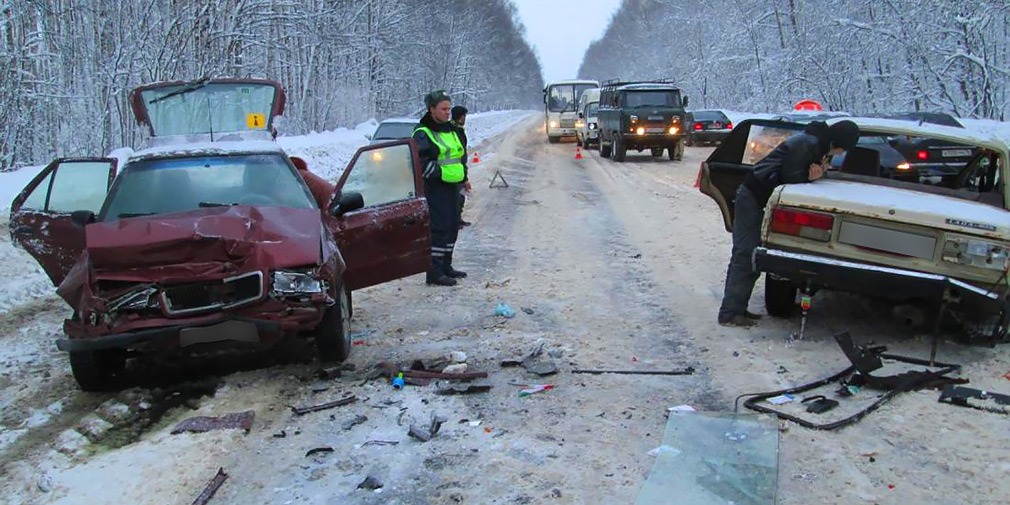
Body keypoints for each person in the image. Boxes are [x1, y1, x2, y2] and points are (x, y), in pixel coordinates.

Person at [718, 120, 860, 327]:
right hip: (753, 197)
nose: (840, 154)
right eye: (843, 149)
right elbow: (789, 178)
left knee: (750, 255)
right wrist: (811, 176)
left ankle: (737, 309)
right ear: (839, 142)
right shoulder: (809, 144)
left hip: (759, 197)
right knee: (746, 254)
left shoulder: (816, 143)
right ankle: (730, 313)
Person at [413, 90, 468, 286]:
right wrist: (443, 174)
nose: (447, 112)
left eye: (449, 108)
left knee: (453, 226)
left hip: (453, 187)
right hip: (435, 188)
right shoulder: (422, 132)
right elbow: (421, 163)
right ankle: (434, 271)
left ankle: (446, 266)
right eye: (443, 109)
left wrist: (463, 177)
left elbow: (460, 155)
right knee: (439, 229)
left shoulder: (452, 129)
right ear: (432, 109)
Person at [451, 105, 472, 228]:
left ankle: (458, 218)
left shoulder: (458, 129)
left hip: (459, 167)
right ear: (460, 116)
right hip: (453, 169)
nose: (465, 119)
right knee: (456, 196)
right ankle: (454, 220)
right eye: (464, 116)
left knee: (460, 195)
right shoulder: (453, 130)